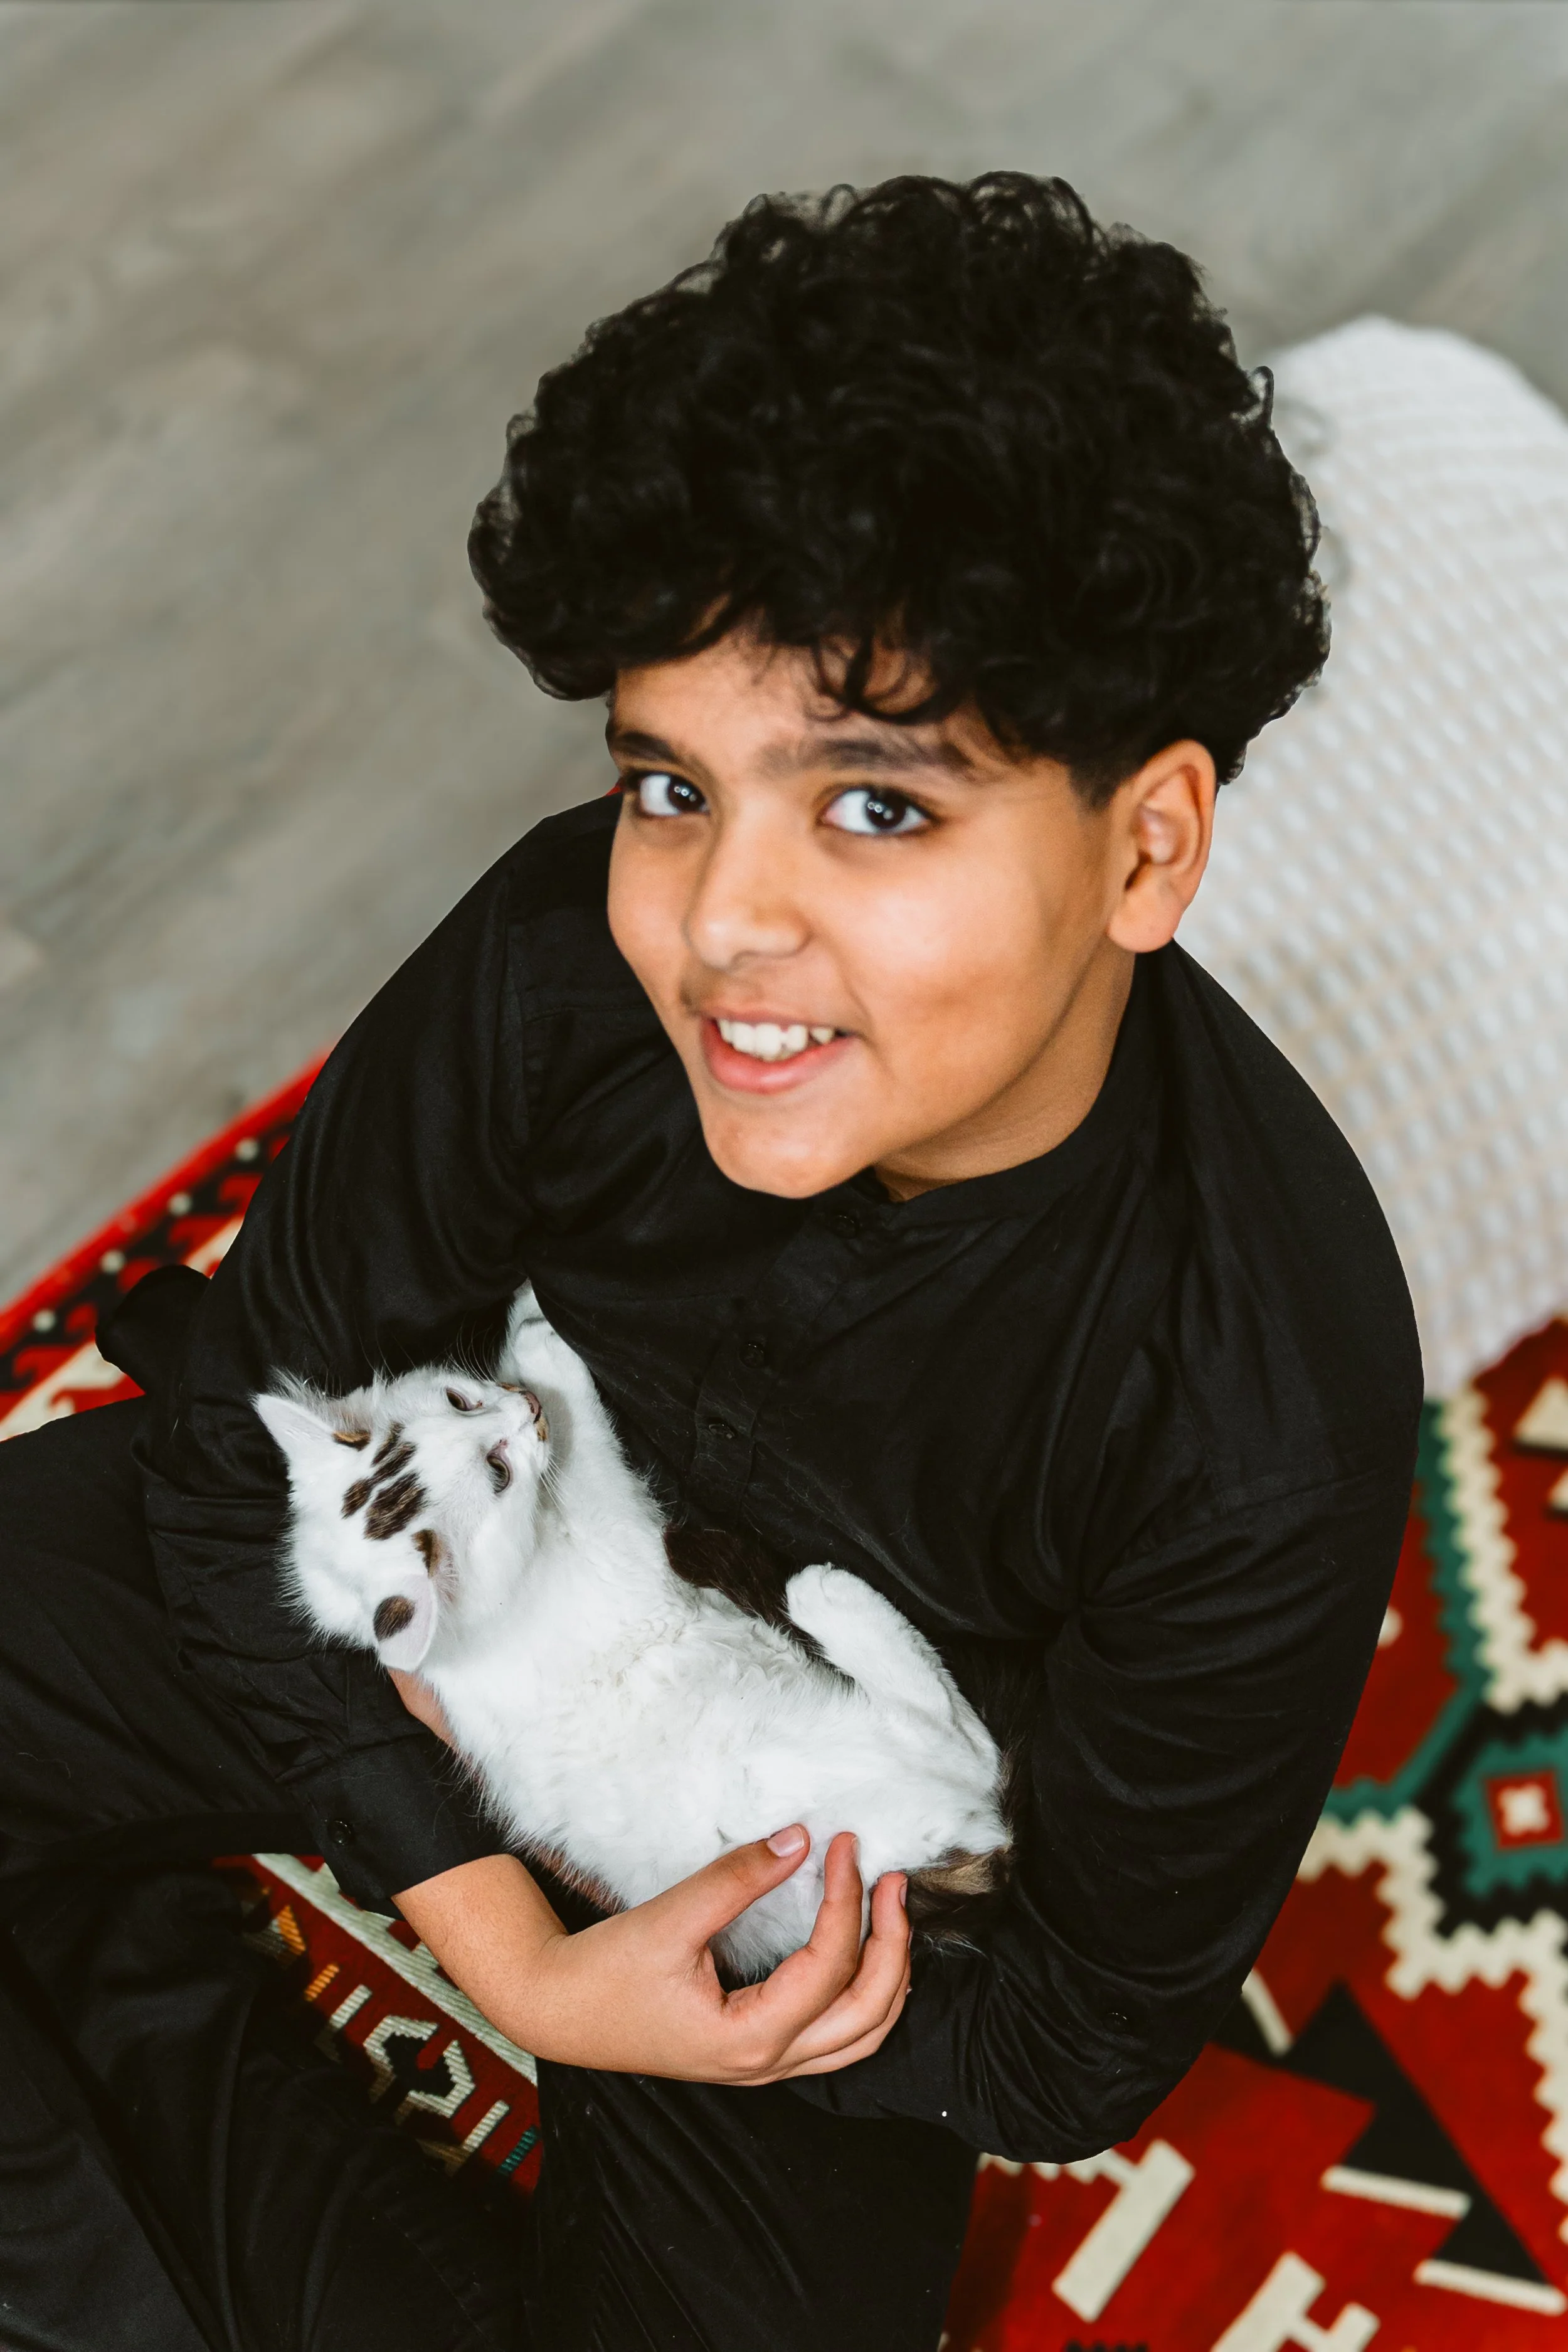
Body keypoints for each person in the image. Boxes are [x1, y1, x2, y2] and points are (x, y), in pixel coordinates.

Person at [0, 173, 1421, 2352]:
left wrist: (688, 1969)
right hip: (443, 1608)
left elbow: (1067, 2044)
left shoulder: (1259, 1407)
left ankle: (115, 1994)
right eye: (672, 785)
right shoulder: (560, 958)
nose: (720, 922)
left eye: (873, 805)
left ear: (1145, 846)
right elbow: (238, 1442)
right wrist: (506, 1946)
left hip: (799, 1883)